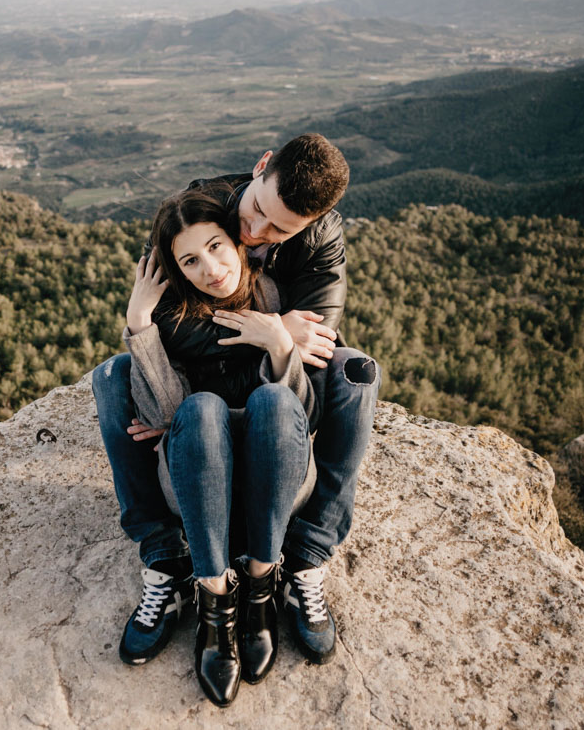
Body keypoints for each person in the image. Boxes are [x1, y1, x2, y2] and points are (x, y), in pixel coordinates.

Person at [92, 133, 379, 670]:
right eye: (255, 212)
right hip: (203, 433)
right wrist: (146, 328)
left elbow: (310, 366)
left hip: (275, 425)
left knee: (355, 372)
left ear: (311, 224)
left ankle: (305, 552)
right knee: (116, 375)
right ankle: (165, 555)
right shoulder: (197, 217)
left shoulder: (318, 240)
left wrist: (275, 336)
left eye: (277, 230)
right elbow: (171, 326)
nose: (254, 233)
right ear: (260, 166)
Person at [122, 186, 318, 706]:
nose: (210, 268)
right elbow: (165, 417)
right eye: (190, 260)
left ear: (235, 241)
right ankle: (214, 600)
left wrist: (279, 343)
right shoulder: (170, 320)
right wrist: (140, 324)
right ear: (177, 271)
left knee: (275, 403)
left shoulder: (272, 296)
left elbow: (301, 419)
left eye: (216, 246)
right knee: (200, 408)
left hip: (277, 482)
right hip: (198, 482)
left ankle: (259, 589)